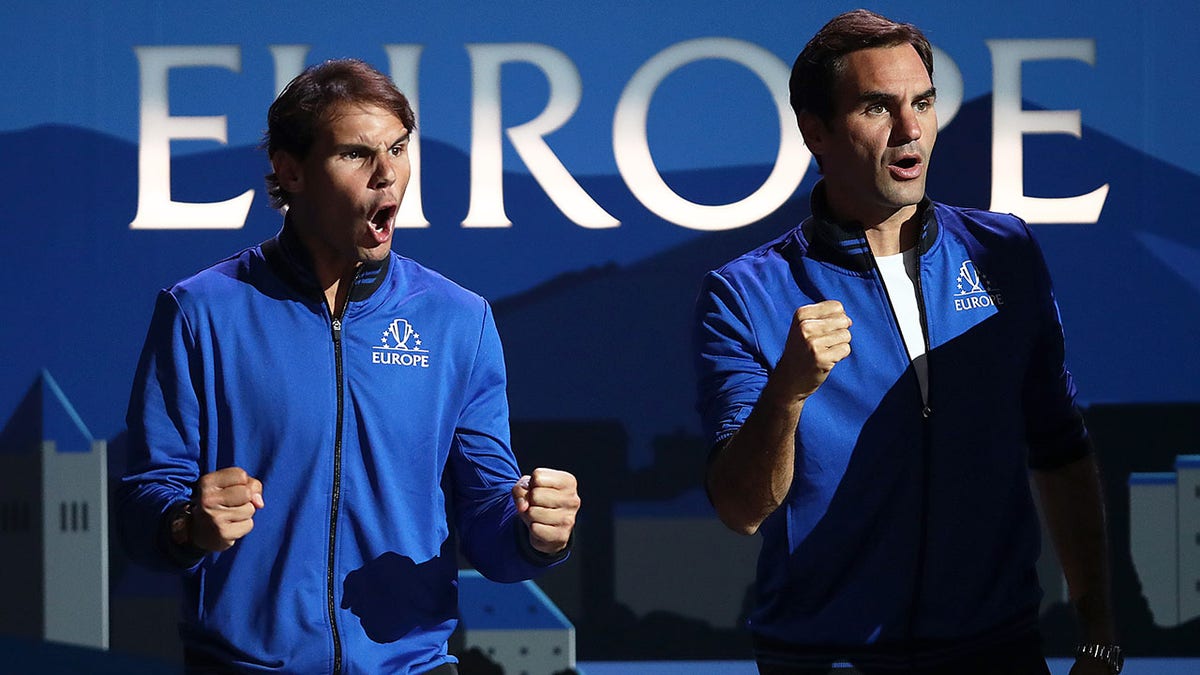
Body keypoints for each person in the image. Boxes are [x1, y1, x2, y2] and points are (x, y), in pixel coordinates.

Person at [117, 59, 580, 674]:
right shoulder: (200, 311)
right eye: (356, 155)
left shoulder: (457, 319)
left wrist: (533, 531)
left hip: (411, 666)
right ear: (291, 171)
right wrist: (186, 526)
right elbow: (142, 504)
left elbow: (486, 515)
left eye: (398, 148)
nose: (387, 175)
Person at [694, 10, 1119, 675]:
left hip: (998, 653)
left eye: (922, 102)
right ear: (817, 132)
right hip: (822, 660)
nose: (911, 129)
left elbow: (1061, 447)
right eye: (876, 107)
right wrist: (786, 392)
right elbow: (743, 508)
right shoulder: (745, 294)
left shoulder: (1005, 252)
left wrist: (1097, 629)